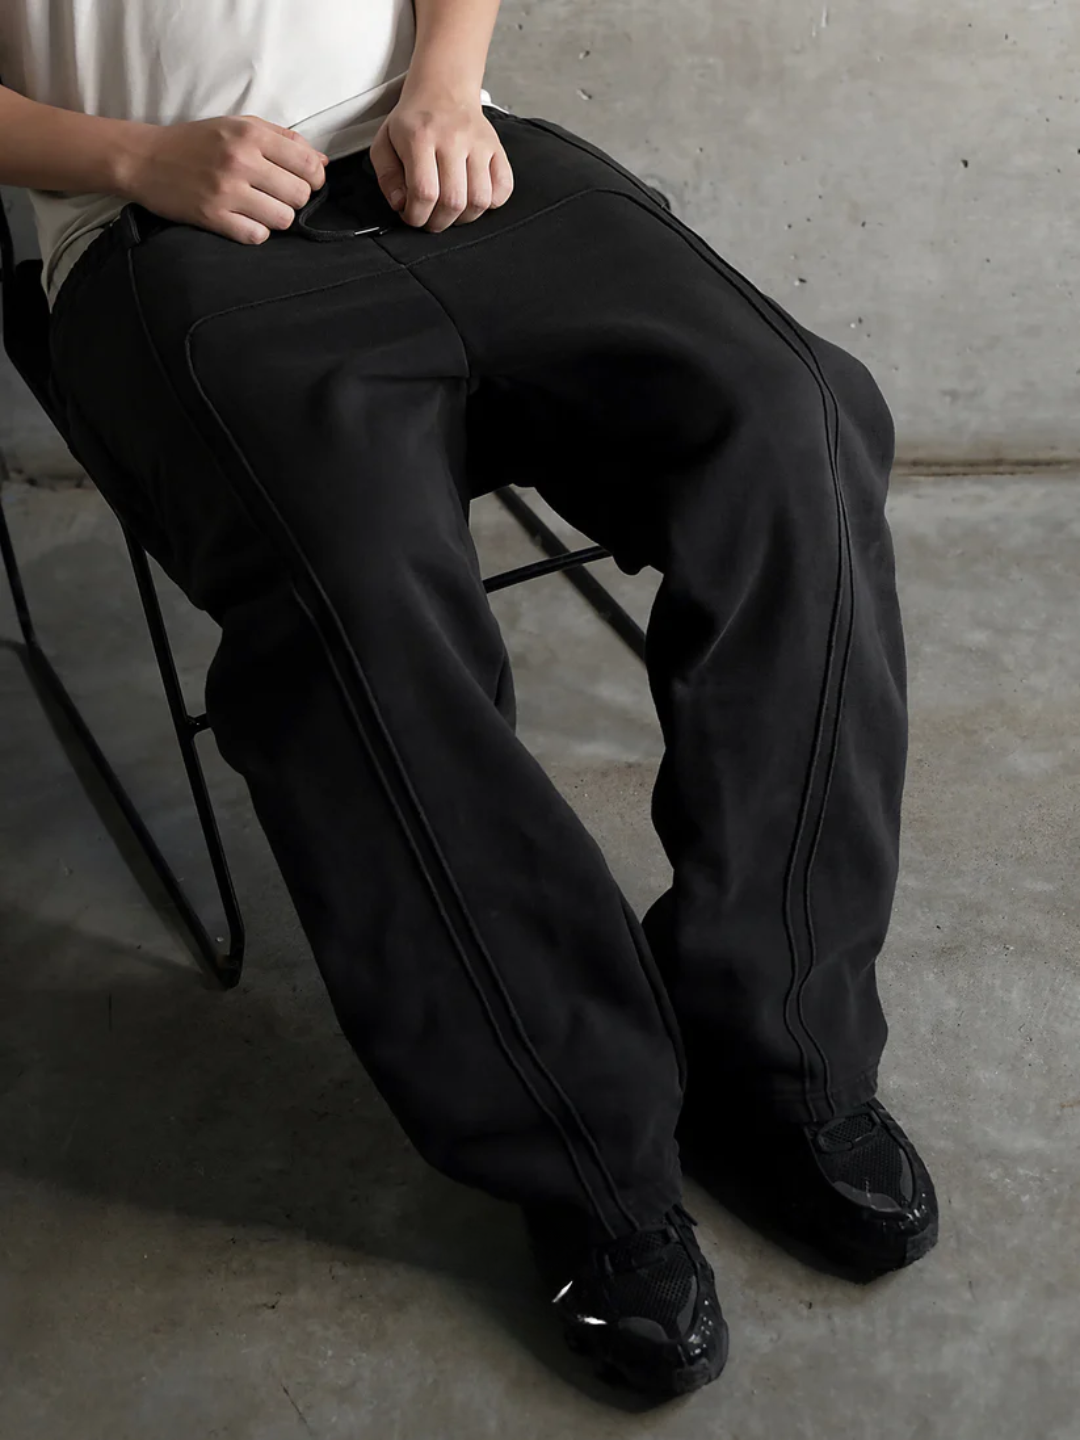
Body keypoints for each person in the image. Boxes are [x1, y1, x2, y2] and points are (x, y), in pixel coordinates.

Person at [0, 0, 938, 1403]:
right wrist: (134, 158)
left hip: (450, 157)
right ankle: (577, 1141)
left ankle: (782, 1055)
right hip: (166, 228)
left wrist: (443, 85)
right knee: (354, 587)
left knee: (797, 419)